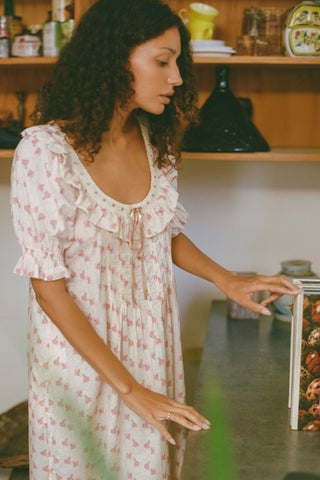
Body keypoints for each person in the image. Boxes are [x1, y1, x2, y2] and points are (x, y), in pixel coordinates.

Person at [10, 0, 301, 479]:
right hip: (81, 360)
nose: (177, 79)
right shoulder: (44, 152)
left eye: (177, 63)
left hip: (148, 344)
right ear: (113, 58)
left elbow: (157, 231)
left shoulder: (151, 140)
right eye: (162, 61)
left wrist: (229, 281)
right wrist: (131, 390)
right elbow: (48, 288)